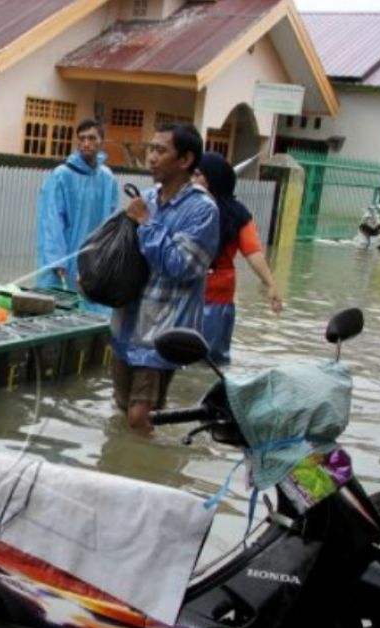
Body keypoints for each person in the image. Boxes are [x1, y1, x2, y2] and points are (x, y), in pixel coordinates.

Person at [114, 122, 219, 435]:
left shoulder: (203, 211)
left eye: (161, 150)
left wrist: (146, 224)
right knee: (122, 409)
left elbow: (181, 266)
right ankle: (125, 467)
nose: (151, 157)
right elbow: (123, 251)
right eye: (151, 148)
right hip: (126, 324)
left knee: (139, 416)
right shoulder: (145, 198)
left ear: (185, 160)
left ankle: (146, 476)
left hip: (161, 331)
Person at [194, 153, 283, 366]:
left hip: (209, 291)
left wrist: (270, 284)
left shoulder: (193, 207)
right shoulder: (238, 213)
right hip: (211, 292)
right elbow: (253, 252)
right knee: (212, 359)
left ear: (211, 179)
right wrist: (270, 284)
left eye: (198, 175)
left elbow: (253, 252)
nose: (192, 179)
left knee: (199, 357)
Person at [35, 119, 121, 311]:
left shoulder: (107, 178)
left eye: (92, 138)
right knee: (58, 308)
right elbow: (51, 220)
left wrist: (108, 256)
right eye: (82, 138)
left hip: (94, 259)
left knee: (92, 310)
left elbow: (112, 220)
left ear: (101, 142)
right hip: (65, 257)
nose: (86, 143)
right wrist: (57, 259)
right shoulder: (62, 175)